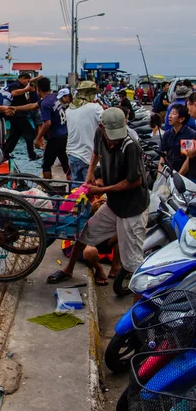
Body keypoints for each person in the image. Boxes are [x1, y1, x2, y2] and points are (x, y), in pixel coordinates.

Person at [48, 108, 149, 285]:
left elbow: (135, 181)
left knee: (134, 262)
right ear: (101, 127)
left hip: (133, 208)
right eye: (111, 135)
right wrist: (90, 178)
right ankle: (68, 269)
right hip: (114, 205)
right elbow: (95, 153)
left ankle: (137, 303)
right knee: (84, 232)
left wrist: (103, 189)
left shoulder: (130, 146)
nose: (114, 139)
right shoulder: (99, 134)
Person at [65, 81, 103, 182]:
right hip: (88, 156)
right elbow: (105, 124)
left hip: (72, 154)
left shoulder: (69, 110)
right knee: (89, 189)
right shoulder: (95, 108)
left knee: (76, 188)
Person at [34, 80, 71, 179]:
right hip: (64, 135)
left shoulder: (45, 103)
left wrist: (38, 138)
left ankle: (47, 189)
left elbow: (47, 123)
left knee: (46, 165)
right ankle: (74, 186)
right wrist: (15, 108)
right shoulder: (53, 97)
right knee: (65, 163)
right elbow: (33, 106)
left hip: (55, 137)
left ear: (38, 89)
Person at [2, 73, 43, 161]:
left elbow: (30, 81)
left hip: (18, 114)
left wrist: (38, 77)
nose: (28, 82)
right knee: (30, 133)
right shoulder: (15, 85)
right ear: (21, 78)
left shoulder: (22, 85)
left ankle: (5, 153)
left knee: (14, 135)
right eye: (26, 80)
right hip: (17, 115)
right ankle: (31, 154)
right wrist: (27, 89)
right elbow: (13, 93)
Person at [159, 104, 196, 173]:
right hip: (168, 172)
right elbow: (163, 156)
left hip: (184, 176)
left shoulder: (189, 135)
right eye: (170, 113)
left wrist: (178, 177)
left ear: (181, 119)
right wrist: (160, 175)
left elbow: (187, 160)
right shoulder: (167, 134)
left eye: (173, 114)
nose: (169, 116)